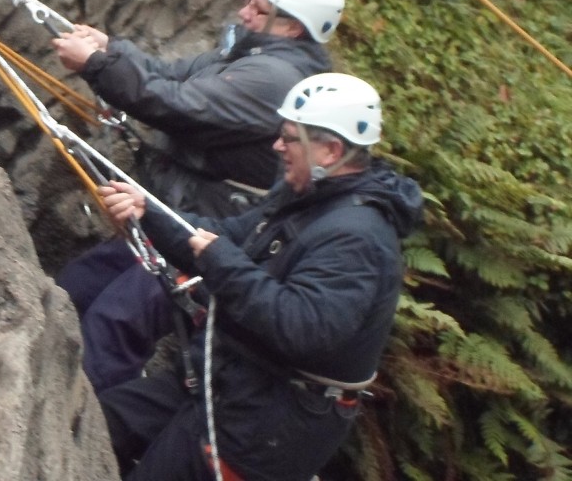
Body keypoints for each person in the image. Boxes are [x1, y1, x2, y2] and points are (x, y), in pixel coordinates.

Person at [94, 72, 424, 480]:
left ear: (330, 151)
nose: (277, 146)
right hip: (227, 381)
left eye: (290, 138)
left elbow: (302, 327)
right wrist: (150, 212)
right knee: (101, 425)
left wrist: (221, 261)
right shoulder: (307, 197)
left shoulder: (357, 239)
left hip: (268, 423)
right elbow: (229, 237)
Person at [50, 0, 348, 394]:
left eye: (259, 10)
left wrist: (98, 67)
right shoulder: (252, 52)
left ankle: (89, 431)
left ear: (292, 29)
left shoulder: (275, 78)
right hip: (173, 217)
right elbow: (169, 74)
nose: (245, 13)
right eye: (249, 2)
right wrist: (110, 50)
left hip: (202, 233)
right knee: (78, 286)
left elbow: (176, 104)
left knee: (116, 323)